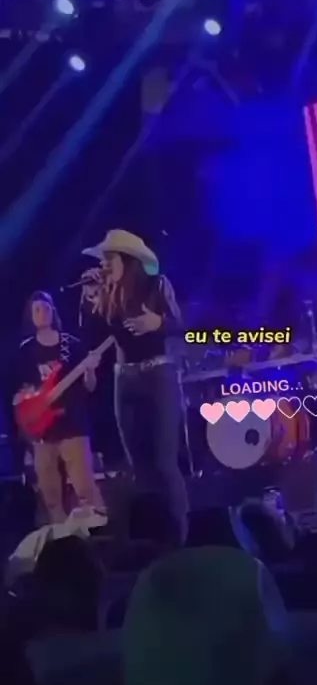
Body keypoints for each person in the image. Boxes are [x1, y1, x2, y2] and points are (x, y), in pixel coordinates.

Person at [79, 229, 189, 546]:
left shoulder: (156, 284)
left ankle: (179, 535)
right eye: (103, 259)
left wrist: (159, 323)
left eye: (109, 258)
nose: (104, 264)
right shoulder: (107, 291)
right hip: (125, 379)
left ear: (127, 260)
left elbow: (181, 326)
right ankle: (153, 539)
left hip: (158, 375)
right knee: (139, 467)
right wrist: (89, 297)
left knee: (164, 464)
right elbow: (92, 332)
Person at [14, 292, 106, 525]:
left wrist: (90, 370)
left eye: (46, 308)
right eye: (37, 309)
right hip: (42, 432)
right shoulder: (25, 350)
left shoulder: (71, 345)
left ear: (53, 311)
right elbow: (19, 392)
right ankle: (62, 538)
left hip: (72, 426)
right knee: (51, 499)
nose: (42, 313)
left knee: (85, 490)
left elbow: (90, 387)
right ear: (30, 315)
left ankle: (99, 532)